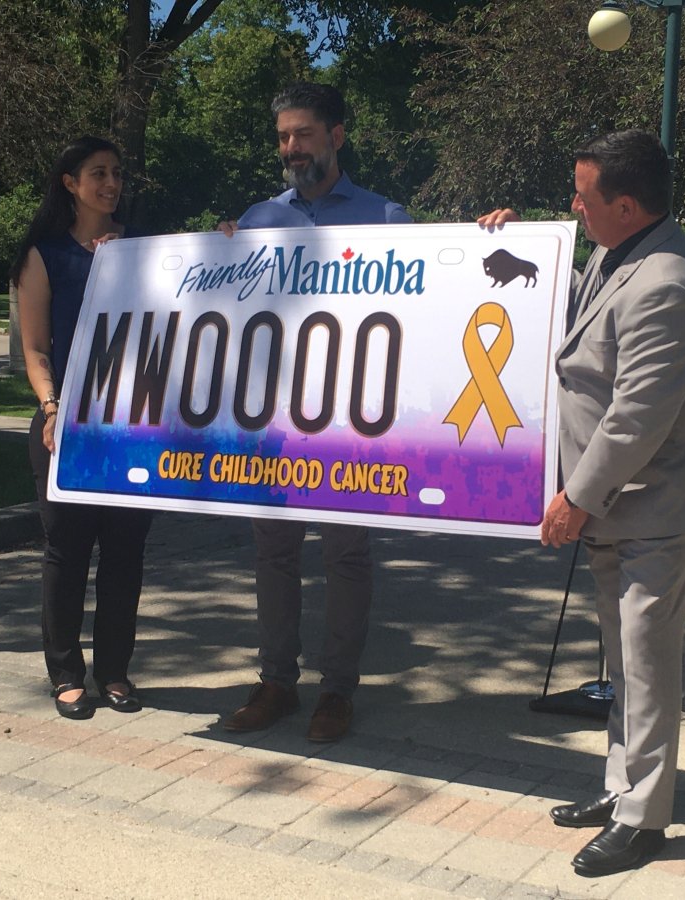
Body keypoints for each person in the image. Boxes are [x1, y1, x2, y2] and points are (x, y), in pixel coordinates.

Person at [478, 129, 685, 877]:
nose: (574, 206)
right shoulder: (614, 252)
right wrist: (510, 238)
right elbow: (561, 324)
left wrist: (575, 499)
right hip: (619, 504)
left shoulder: (668, 284)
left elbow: (636, 419)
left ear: (624, 204)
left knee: (648, 663)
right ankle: (623, 790)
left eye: (582, 196)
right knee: (622, 660)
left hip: (658, 501)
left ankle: (644, 819)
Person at [218, 82, 412, 743]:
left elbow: (428, 306)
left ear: (337, 135)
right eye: (282, 137)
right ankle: (276, 681)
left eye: (302, 134)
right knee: (272, 553)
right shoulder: (259, 220)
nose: (291, 148)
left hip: (348, 421)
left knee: (345, 556)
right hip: (271, 417)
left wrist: (488, 238)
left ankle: (336, 691)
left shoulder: (386, 219)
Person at [11, 136, 153, 720]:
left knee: (125, 554)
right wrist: (51, 409)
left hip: (130, 426)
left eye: (117, 173)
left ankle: (114, 671)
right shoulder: (42, 255)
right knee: (66, 553)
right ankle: (66, 673)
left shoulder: (144, 250)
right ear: (70, 183)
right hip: (65, 425)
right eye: (98, 173)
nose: (111, 183)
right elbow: (36, 348)